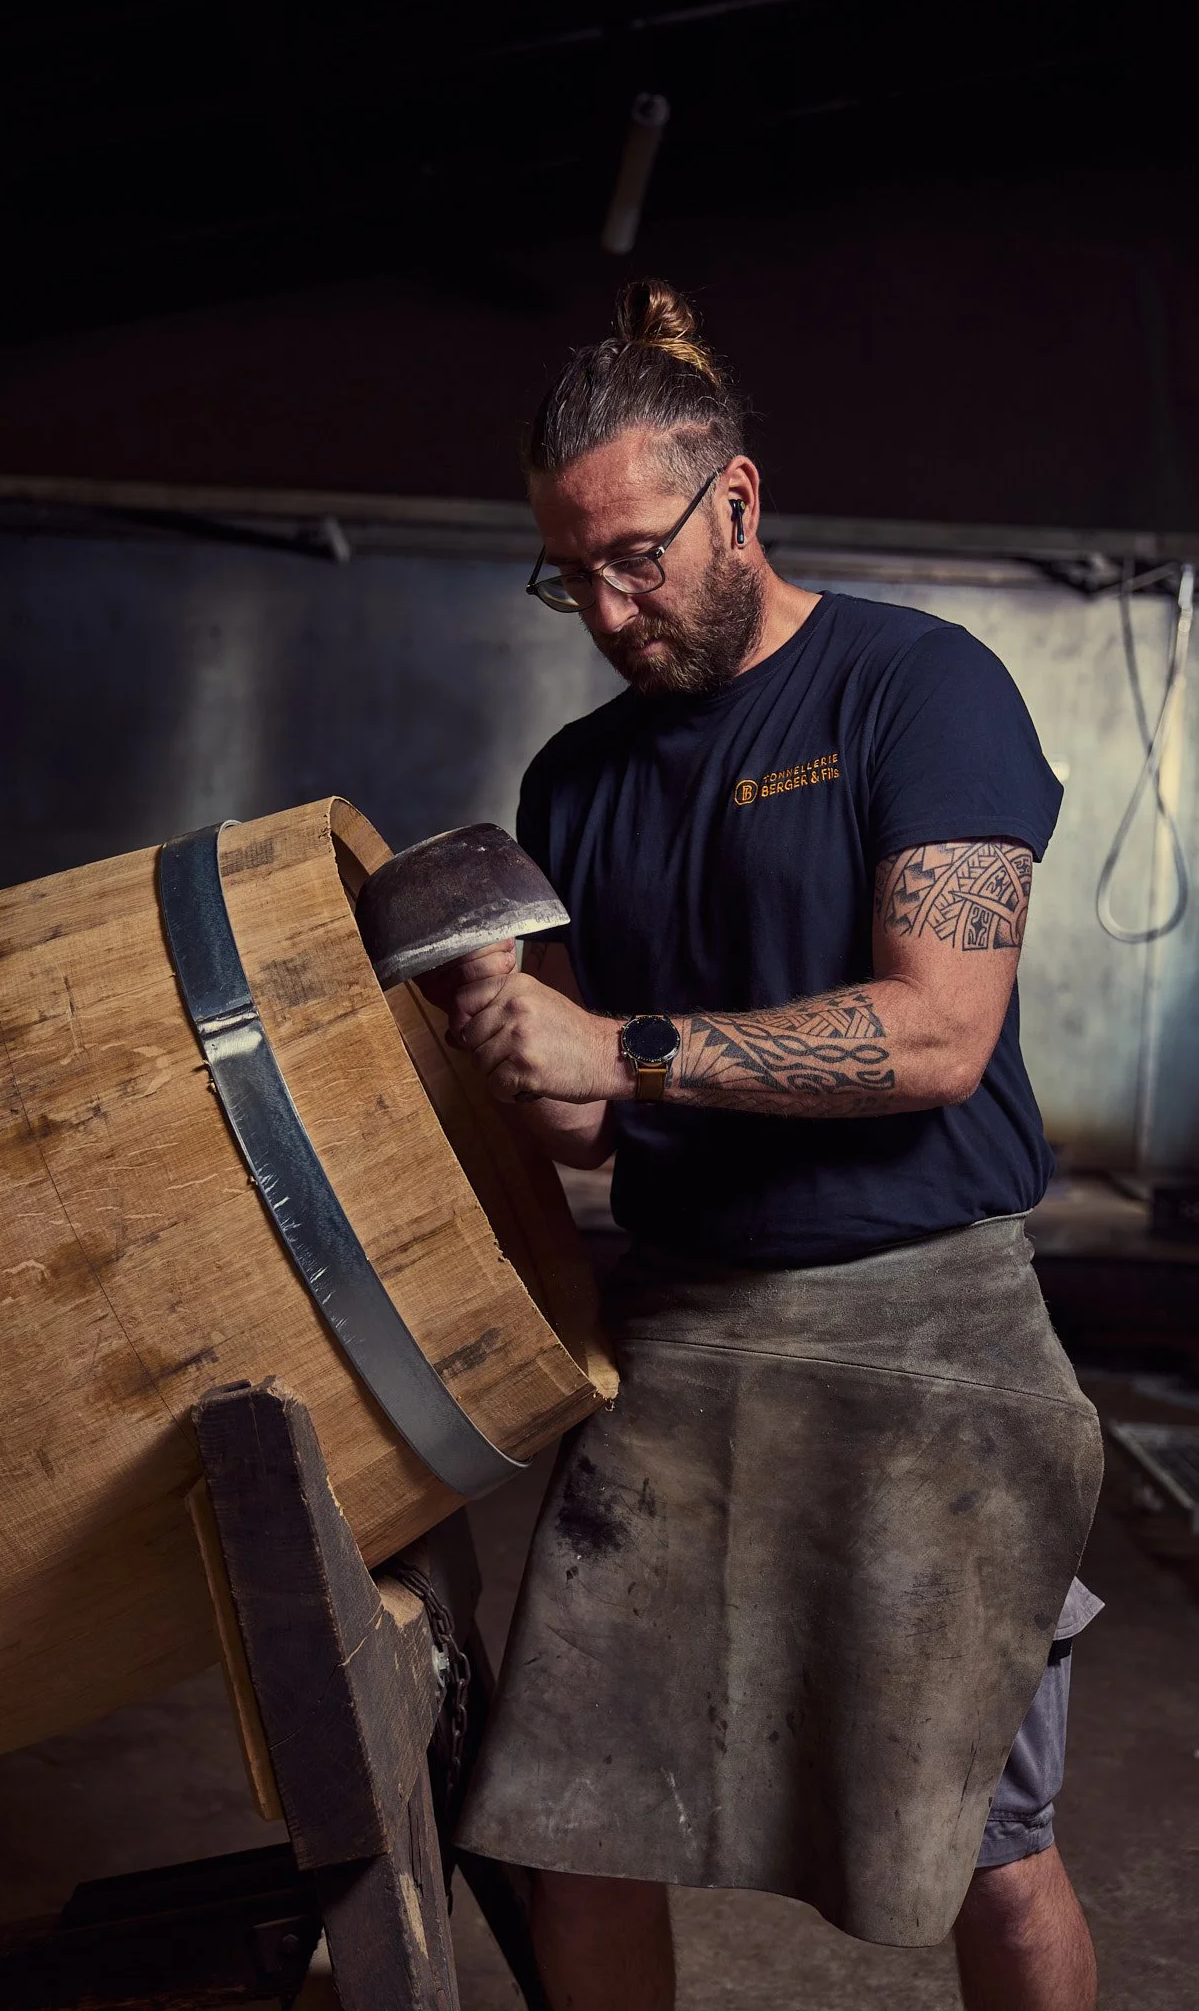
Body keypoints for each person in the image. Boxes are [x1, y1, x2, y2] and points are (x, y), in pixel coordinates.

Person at [425, 280, 1105, 2010]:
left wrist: (616, 1046)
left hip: (926, 1338)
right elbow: (589, 1125)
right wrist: (504, 1035)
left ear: (733, 499)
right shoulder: (575, 778)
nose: (604, 604)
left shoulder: (918, 688)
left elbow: (939, 1031)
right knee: (563, 1821)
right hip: (678, 1336)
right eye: (566, 571)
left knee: (982, 1840)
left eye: (634, 555)